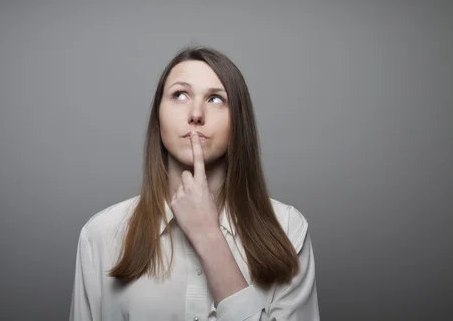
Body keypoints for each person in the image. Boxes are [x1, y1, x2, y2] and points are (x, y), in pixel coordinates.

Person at [69, 46, 320, 320]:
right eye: (180, 95)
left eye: (215, 99)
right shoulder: (101, 235)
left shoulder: (287, 229)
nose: (196, 113)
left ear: (238, 122)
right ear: (158, 116)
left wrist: (209, 236)